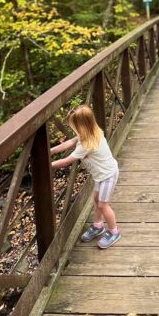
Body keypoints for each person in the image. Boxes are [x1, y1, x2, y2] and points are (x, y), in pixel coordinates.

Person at [50, 105, 121, 249]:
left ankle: (114, 231)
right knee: (96, 200)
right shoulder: (93, 131)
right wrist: (49, 151)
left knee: (103, 204)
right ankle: (98, 225)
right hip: (101, 175)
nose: (73, 130)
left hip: (108, 175)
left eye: (74, 127)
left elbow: (66, 162)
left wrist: (46, 164)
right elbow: (70, 143)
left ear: (81, 126)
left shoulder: (86, 144)